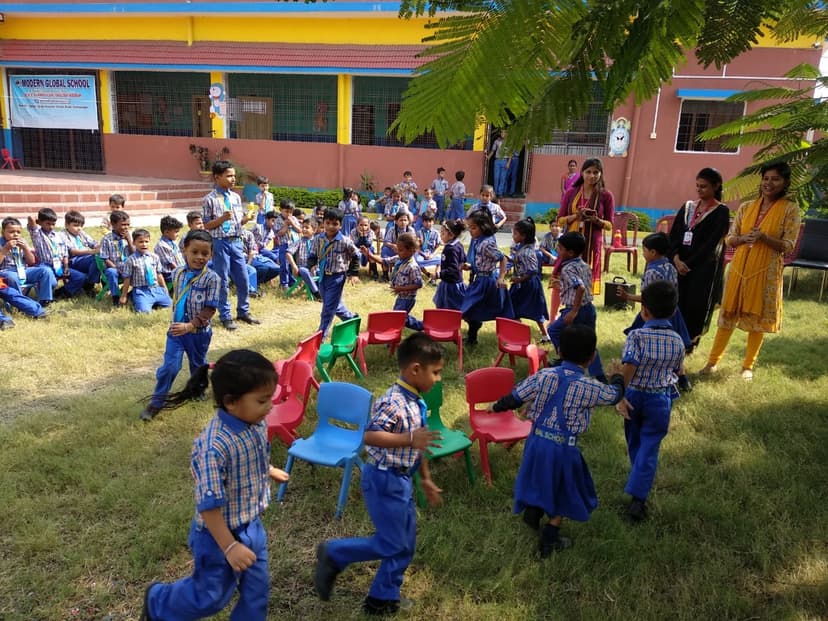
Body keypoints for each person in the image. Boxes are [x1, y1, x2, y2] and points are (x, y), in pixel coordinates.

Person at [140, 349, 290, 621]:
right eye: (262, 400)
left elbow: (249, 457)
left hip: (251, 525)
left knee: (257, 592)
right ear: (231, 402)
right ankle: (158, 601)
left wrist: (267, 470)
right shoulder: (212, 448)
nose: (270, 406)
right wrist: (230, 547)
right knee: (210, 597)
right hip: (217, 535)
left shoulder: (253, 421)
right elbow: (209, 507)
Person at [314, 333, 444, 616]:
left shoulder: (416, 400)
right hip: (384, 479)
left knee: (405, 543)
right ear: (415, 370)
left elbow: (419, 443)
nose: (438, 379)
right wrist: (410, 439)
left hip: (401, 479)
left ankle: (382, 598)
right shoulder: (394, 402)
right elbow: (371, 435)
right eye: (436, 373)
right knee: (391, 542)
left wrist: (426, 478)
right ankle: (334, 554)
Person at [489, 324, 625, 556]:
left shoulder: (543, 375)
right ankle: (549, 540)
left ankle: (532, 512)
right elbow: (614, 396)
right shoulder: (589, 387)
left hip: (536, 441)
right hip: (563, 448)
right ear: (592, 357)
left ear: (559, 351)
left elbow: (515, 397)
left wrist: (495, 406)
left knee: (537, 477)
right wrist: (619, 377)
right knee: (562, 490)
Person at [700, 162, 801, 381]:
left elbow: (789, 245)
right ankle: (712, 362)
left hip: (766, 271)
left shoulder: (790, 209)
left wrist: (765, 238)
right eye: (766, 178)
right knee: (727, 315)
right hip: (739, 268)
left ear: (785, 183)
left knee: (757, 318)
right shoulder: (746, 207)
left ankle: (748, 366)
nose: (769, 183)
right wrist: (743, 239)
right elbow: (729, 238)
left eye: (775, 179)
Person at [616, 280, 685, 521]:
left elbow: (629, 367)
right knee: (650, 445)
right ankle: (639, 495)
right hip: (660, 400)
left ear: (643, 310)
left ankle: (638, 491)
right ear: (674, 311)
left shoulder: (636, 336)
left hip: (634, 396)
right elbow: (677, 369)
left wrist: (619, 394)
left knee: (635, 442)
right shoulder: (677, 340)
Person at [140, 230, 221, 421]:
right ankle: (156, 403)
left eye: (205, 253)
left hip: (199, 333)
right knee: (170, 367)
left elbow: (210, 308)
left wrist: (191, 325)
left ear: (211, 255)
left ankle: (197, 390)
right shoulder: (177, 273)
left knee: (197, 364)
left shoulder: (212, 278)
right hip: (176, 331)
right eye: (195, 252)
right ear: (184, 250)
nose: (199, 257)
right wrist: (179, 325)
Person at [618, 232, 692, 391]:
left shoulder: (652, 272)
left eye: (644, 250)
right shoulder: (671, 267)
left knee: (643, 342)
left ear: (652, 252)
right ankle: (683, 379)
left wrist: (628, 296)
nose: (643, 253)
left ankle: (638, 372)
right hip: (671, 311)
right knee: (673, 345)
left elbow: (648, 298)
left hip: (652, 313)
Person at [668, 167, 731, 351]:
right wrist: (676, 258)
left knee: (695, 304)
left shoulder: (720, 211)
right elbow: (675, 235)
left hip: (702, 267)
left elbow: (711, 243)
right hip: (680, 263)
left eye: (704, 186)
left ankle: (690, 342)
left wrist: (690, 263)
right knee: (677, 301)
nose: (699, 189)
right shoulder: (688, 207)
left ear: (716, 186)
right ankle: (673, 337)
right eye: (697, 186)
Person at [202, 160, 259, 330]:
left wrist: (245, 220)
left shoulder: (235, 197)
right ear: (217, 177)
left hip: (236, 242)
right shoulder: (209, 199)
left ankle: (243, 311)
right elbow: (206, 225)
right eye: (229, 176)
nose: (233, 179)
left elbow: (236, 222)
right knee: (223, 280)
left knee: (242, 277)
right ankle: (225, 316)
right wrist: (221, 219)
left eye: (234, 176)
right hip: (220, 243)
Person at [546, 232, 606, 381]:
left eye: (560, 248)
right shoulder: (584, 265)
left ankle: (565, 359)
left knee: (553, 329)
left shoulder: (568, 269)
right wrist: (562, 285)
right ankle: (599, 376)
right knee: (589, 342)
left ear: (570, 252)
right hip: (589, 308)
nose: (557, 250)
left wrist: (573, 311)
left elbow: (580, 287)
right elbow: (581, 285)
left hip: (576, 310)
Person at [557, 158, 614, 295]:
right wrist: (576, 216)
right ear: (582, 173)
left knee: (586, 278)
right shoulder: (571, 193)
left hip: (592, 243)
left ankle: (585, 307)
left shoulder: (606, 195)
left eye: (596, 172)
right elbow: (560, 220)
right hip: (571, 242)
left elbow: (609, 225)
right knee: (564, 279)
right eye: (588, 172)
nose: (592, 176)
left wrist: (596, 220)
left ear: (601, 174)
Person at [460, 209, 513, 345]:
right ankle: (472, 337)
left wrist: (501, 278)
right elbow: (483, 262)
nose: (470, 231)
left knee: (471, 308)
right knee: (471, 308)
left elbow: (503, 259)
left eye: (473, 228)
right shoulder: (478, 241)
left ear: (483, 227)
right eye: (469, 228)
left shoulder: (486, 243)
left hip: (488, 281)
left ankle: (512, 337)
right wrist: (471, 267)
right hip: (480, 278)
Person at [307, 208, 361, 339]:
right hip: (322, 277)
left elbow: (356, 255)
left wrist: (353, 273)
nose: (331, 227)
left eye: (335, 224)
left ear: (341, 225)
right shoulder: (318, 239)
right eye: (328, 223)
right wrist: (310, 265)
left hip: (337, 278)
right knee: (331, 303)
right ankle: (351, 318)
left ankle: (321, 336)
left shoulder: (344, 241)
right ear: (323, 223)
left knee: (328, 309)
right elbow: (313, 254)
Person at [362, 232, 424, 331]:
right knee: (402, 318)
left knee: (397, 318)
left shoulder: (413, 267)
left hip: (407, 298)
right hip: (401, 296)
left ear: (411, 251)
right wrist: (369, 255)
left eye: (401, 250)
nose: (398, 252)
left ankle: (392, 339)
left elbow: (418, 284)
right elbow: (384, 261)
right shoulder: (399, 259)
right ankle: (422, 326)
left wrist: (401, 288)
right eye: (398, 250)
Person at [27, 208, 86, 299]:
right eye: (48, 223)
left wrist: (66, 267)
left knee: (80, 277)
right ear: (40, 222)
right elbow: (31, 218)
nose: (51, 227)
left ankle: (61, 293)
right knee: (53, 281)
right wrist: (37, 220)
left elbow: (64, 253)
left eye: (53, 224)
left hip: (59, 265)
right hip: (45, 265)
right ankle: (46, 299)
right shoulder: (37, 234)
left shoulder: (57, 235)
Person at [0, 218, 51, 318]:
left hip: (24, 270)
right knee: (11, 277)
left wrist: (26, 249)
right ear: (3, 232)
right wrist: (5, 250)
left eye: (18, 232)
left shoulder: (22, 242)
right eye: (11, 232)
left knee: (45, 271)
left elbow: (31, 262)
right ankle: (19, 306)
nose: (15, 234)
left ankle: (44, 300)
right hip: (6, 271)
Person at [509, 217, 549, 340]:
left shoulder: (527, 252)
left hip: (529, 285)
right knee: (513, 307)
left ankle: (545, 335)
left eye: (515, 233)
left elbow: (532, 270)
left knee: (535, 309)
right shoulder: (521, 247)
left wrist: (519, 279)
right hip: (521, 283)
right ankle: (518, 331)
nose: (513, 236)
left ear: (524, 236)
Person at [119, 229, 172, 313]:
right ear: (134, 243)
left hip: (155, 288)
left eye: (146, 241)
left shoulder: (154, 257)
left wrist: (165, 289)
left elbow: (159, 274)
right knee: (144, 312)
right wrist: (123, 295)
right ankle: (133, 297)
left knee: (171, 306)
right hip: (141, 290)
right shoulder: (131, 260)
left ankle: (153, 301)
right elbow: (127, 279)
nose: (144, 244)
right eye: (140, 242)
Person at [98, 210, 133, 305]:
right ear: (113, 224)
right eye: (123, 225)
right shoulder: (107, 239)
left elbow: (135, 254)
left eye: (127, 224)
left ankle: (133, 294)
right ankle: (116, 297)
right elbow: (105, 258)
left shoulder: (130, 237)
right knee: (111, 272)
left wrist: (129, 240)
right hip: (114, 267)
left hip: (129, 267)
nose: (126, 227)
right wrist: (116, 268)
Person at [61, 210, 100, 292]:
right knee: (94, 258)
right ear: (66, 225)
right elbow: (73, 251)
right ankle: (89, 284)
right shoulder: (63, 235)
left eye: (81, 226)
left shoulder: (81, 233)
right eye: (75, 225)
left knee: (100, 256)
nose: (79, 228)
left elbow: (93, 243)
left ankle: (90, 282)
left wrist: (101, 245)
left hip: (84, 259)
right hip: (73, 261)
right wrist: (91, 252)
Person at [433, 219, 467, 310]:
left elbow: (453, 268)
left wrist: (439, 274)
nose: (441, 235)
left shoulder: (450, 249)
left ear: (451, 235)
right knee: (457, 306)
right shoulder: (459, 245)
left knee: (448, 307)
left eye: (443, 233)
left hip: (450, 285)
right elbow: (464, 258)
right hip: (458, 282)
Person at [287, 216, 322, 301]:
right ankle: (316, 293)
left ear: (314, 230)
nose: (304, 229)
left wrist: (316, 266)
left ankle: (325, 291)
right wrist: (294, 266)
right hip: (301, 269)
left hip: (315, 268)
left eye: (307, 227)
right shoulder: (299, 242)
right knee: (304, 270)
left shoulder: (317, 242)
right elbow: (288, 253)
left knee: (323, 271)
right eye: (303, 227)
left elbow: (321, 256)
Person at [274, 200, 301, 288]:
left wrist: (292, 223)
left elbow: (299, 230)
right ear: (280, 210)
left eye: (290, 212)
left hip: (293, 245)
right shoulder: (278, 220)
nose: (288, 214)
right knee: (284, 265)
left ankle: (292, 282)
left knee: (292, 264)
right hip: (284, 245)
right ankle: (284, 283)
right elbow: (279, 233)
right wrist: (286, 225)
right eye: (286, 211)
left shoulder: (294, 219)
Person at [381, 210, 414, 282]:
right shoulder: (392, 229)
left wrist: (402, 249)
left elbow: (413, 244)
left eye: (405, 220)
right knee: (385, 249)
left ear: (408, 221)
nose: (403, 222)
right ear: (396, 221)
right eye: (401, 220)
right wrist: (393, 245)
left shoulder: (411, 230)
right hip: (393, 250)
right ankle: (385, 274)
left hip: (406, 251)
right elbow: (386, 242)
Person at [154, 215, 185, 284]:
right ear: (167, 232)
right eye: (176, 232)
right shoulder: (161, 245)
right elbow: (170, 263)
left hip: (180, 270)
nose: (178, 234)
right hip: (170, 275)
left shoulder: (173, 242)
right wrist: (182, 273)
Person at [349, 216, 378, 280]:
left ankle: (374, 272)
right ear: (357, 225)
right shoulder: (353, 231)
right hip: (357, 248)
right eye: (361, 225)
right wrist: (361, 236)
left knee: (370, 254)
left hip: (368, 248)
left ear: (369, 226)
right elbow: (356, 244)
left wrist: (364, 236)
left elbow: (368, 244)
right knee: (355, 252)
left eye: (365, 225)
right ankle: (354, 272)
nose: (363, 227)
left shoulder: (371, 232)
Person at [415, 212, 441, 279]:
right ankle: (427, 274)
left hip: (432, 254)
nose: (428, 223)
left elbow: (438, 246)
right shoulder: (419, 233)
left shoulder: (436, 233)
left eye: (430, 221)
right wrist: (423, 254)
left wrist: (432, 255)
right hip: (421, 254)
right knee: (415, 260)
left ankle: (435, 276)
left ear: (433, 222)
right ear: (422, 222)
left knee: (442, 260)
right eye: (426, 221)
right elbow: (417, 248)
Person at [487, 129, 508, 197]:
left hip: (505, 160)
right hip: (497, 160)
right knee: (496, 177)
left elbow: (510, 154)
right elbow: (493, 150)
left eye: (504, 132)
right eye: (501, 132)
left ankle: (500, 193)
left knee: (502, 178)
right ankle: (495, 192)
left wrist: (508, 163)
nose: (502, 133)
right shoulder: (497, 141)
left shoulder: (509, 142)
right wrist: (488, 157)